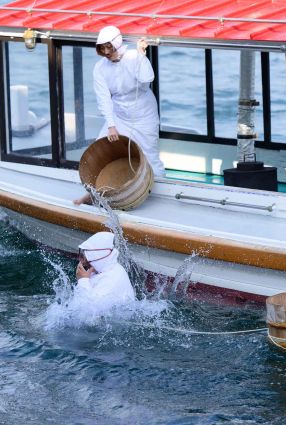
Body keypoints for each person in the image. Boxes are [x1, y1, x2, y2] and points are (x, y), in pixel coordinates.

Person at [73, 26, 165, 206]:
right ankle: (94, 194)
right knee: (101, 146)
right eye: (102, 48)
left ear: (117, 43)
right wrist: (111, 124)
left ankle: (162, 194)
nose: (106, 52)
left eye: (109, 47)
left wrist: (141, 55)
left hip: (144, 113)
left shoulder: (133, 57)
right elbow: (103, 98)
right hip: (119, 113)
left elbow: (148, 78)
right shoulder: (100, 68)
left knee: (150, 152)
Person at [73, 231, 135, 307]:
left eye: (84, 258)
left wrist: (82, 280)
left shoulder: (112, 280)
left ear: (96, 259)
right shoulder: (104, 268)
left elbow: (85, 310)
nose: (81, 262)